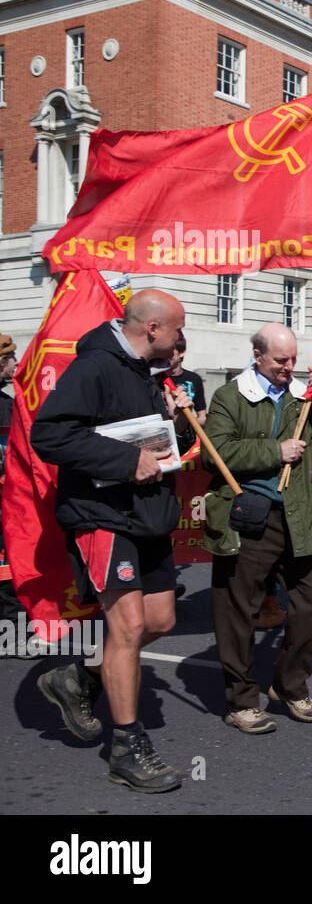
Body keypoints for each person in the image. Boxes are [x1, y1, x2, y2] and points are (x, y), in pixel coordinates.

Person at [30, 290, 194, 793]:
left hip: (147, 516)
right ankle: (127, 747)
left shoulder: (153, 375)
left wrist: (180, 423)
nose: (180, 339)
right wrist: (125, 463)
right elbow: (50, 435)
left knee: (161, 620)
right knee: (127, 627)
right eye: (176, 330)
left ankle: (79, 675)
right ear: (151, 329)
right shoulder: (95, 367)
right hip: (103, 517)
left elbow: (161, 445)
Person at [202, 323, 312, 734]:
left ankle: (289, 684)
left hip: (298, 515)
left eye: (293, 360)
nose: (289, 367)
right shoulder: (230, 396)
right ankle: (241, 700)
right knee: (239, 612)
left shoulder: (303, 397)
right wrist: (274, 451)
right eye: (280, 360)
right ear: (258, 355)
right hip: (249, 516)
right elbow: (216, 454)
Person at [0, 333, 32, 657]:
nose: (16, 363)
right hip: (7, 499)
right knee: (8, 570)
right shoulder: (6, 407)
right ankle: (11, 637)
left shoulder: (8, 403)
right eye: (11, 358)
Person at [165, 336, 207, 427]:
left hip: (184, 437)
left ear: (182, 352)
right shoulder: (156, 378)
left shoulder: (194, 379)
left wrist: (183, 422)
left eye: (170, 350)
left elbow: (202, 418)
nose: (165, 355)